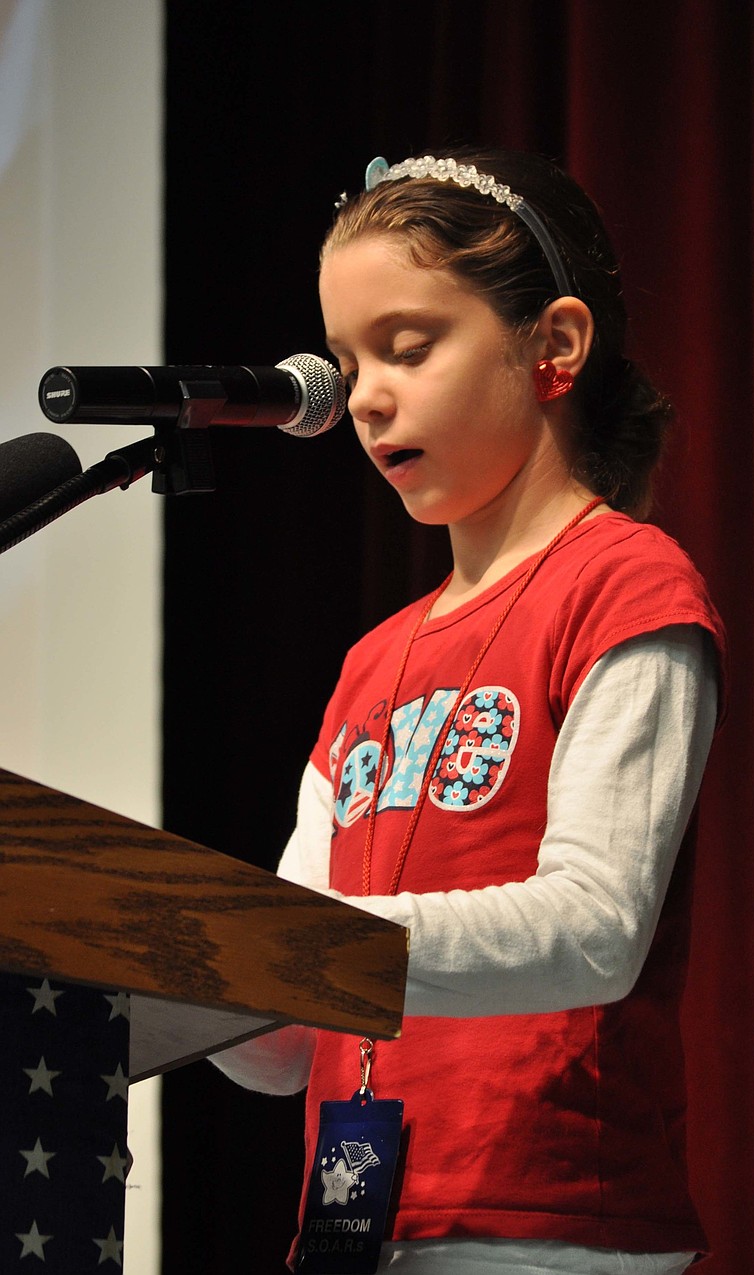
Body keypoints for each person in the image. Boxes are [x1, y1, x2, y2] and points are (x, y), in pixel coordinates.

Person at [213, 148, 726, 1274]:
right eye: (348, 363)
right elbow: (292, 1046)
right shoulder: (370, 662)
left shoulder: (625, 586)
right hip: (357, 1227)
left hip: (546, 1229)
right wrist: (179, 968)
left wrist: (298, 947)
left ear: (553, 348)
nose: (364, 398)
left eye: (408, 347)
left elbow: (594, 933)